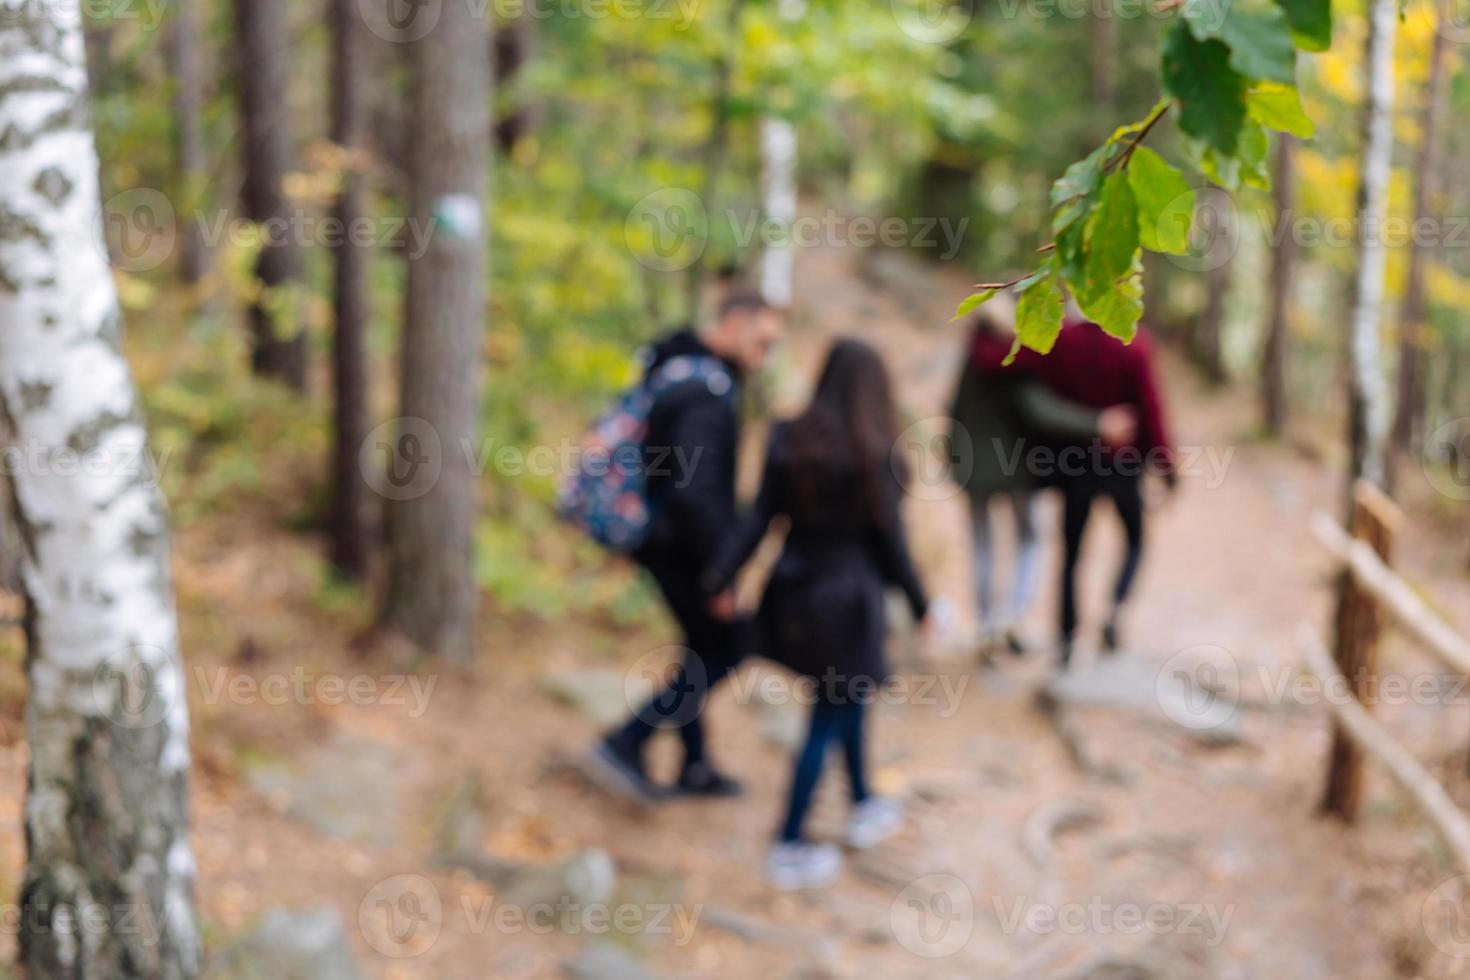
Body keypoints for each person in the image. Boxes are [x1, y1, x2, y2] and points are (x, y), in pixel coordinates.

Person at [702, 338, 928, 890]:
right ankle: (789, 842)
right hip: (849, 603)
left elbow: (758, 519)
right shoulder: (879, 451)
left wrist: (721, 576)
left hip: (795, 593)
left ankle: (863, 801)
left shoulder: (790, 438)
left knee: (848, 696)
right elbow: (891, 544)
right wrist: (922, 603)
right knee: (831, 712)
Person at [587, 290, 785, 804]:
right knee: (727, 644)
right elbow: (695, 494)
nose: (768, 354)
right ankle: (626, 741)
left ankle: (695, 764)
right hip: (676, 544)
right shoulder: (705, 392)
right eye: (764, 341)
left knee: (701, 648)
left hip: (663, 535)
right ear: (736, 324)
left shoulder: (678, 367)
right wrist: (718, 576)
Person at [948, 302, 1136, 657]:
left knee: (983, 544)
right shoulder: (1022, 357)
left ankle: (990, 623)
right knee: (1030, 539)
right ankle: (1010, 619)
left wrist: (953, 454)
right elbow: (1041, 410)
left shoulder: (975, 352)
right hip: (1015, 467)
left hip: (973, 466)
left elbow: (956, 408)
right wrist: (1097, 424)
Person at [1023, 316, 1176, 668]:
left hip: (1075, 464)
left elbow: (1046, 398)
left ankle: (1064, 639)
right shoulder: (1134, 343)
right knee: (1135, 541)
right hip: (1122, 466)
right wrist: (1166, 466)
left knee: (1072, 553)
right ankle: (1115, 609)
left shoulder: (1063, 340)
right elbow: (1150, 407)